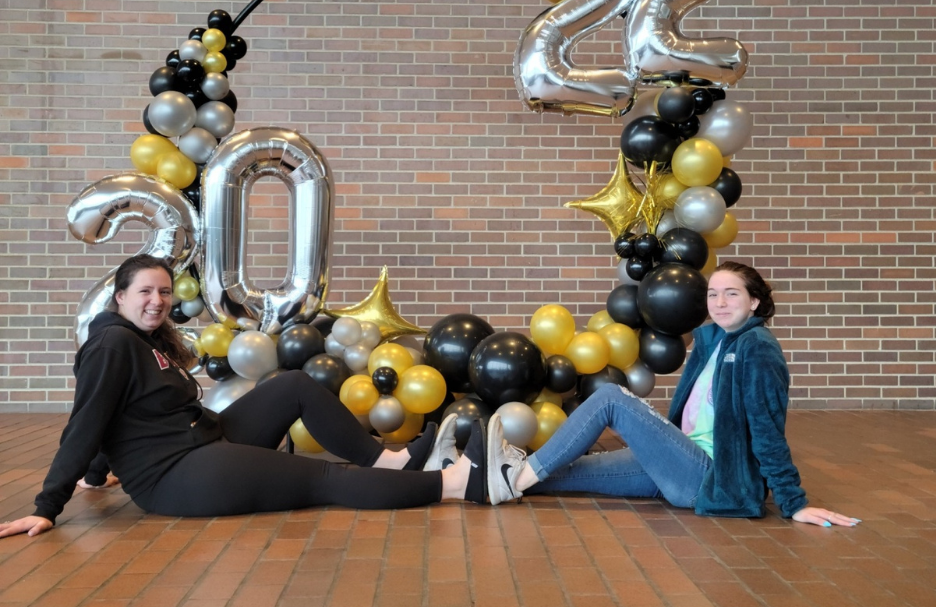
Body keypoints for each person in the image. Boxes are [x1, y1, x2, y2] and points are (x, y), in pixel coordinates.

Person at [0, 255, 480, 539]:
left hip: (203, 440)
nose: (158, 301)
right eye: (145, 291)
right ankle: (454, 486)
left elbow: (120, 412)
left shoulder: (141, 342)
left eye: (164, 291)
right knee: (323, 478)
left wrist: (95, 474)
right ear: (120, 298)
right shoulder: (112, 344)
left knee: (292, 386)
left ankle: (388, 463)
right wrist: (48, 506)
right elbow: (89, 419)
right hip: (176, 474)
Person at [486, 261, 860, 528]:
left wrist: (793, 502)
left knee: (611, 398)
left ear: (755, 302)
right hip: (681, 460)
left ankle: (513, 477)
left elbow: (767, 429)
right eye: (714, 294)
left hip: (708, 479)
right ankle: (483, 479)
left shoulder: (757, 348)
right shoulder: (713, 342)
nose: (720, 302)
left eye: (732, 294)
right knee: (564, 473)